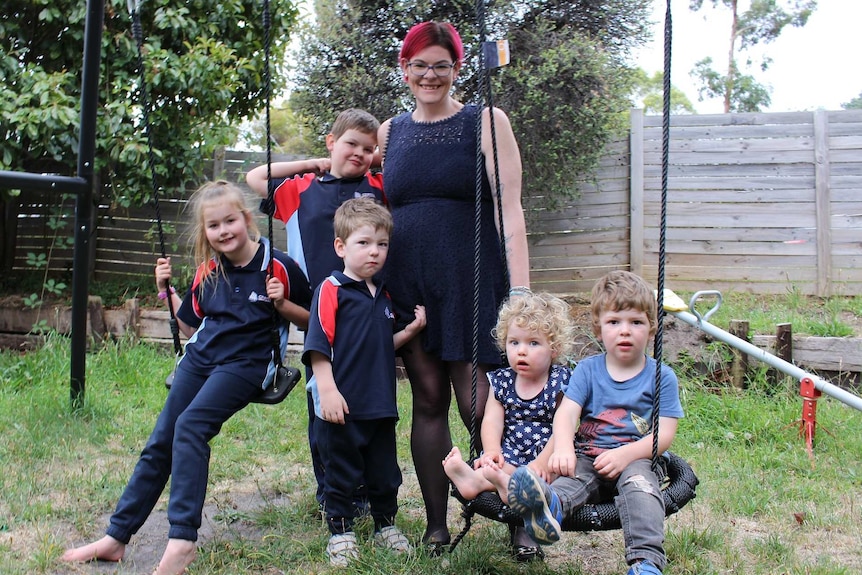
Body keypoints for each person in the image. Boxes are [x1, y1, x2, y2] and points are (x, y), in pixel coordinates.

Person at [60, 180, 312, 575]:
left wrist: (283, 303)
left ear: (247, 220)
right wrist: (166, 290)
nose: (224, 231)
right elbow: (190, 324)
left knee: (191, 427)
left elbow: (315, 320)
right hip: (201, 358)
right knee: (161, 440)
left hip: (247, 364)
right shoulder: (207, 271)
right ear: (205, 232)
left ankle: (181, 541)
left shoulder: (278, 265)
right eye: (214, 226)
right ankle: (116, 537)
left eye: (230, 220)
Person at [377, 20, 530, 552]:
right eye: (419, 65)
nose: (430, 75)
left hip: (470, 277)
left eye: (441, 65)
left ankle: (520, 518)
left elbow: (510, 209)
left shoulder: (486, 121)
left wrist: (523, 296)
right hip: (410, 281)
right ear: (404, 69)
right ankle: (436, 525)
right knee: (427, 399)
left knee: (480, 402)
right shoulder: (390, 131)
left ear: (457, 67)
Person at [246, 108, 385, 512]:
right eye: (350, 144)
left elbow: (396, 165)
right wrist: (313, 163)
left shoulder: (377, 185)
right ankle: (331, 490)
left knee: (365, 402)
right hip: (315, 311)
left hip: (366, 313)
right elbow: (255, 177)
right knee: (323, 403)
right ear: (330, 142)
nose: (359, 153)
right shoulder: (301, 188)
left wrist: (372, 158)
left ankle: (363, 488)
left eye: (368, 148)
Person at [506, 270, 684, 575]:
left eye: (636, 322)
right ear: (599, 330)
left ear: (652, 329)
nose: (625, 331)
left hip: (637, 458)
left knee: (642, 491)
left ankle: (646, 563)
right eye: (614, 322)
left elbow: (664, 434)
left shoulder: (661, 377)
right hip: (589, 454)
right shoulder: (588, 371)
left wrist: (625, 455)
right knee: (570, 480)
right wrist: (563, 447)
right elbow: (567, 413)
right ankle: (547, 508)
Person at [302, 197, 427, 566]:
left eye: (382, 244)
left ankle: (386, 525)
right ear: (341, 247)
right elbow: (318, 344)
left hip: (380, 404)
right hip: (341, 405)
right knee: (340, 472)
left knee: (384, 471)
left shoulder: (383, 296)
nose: (374, 252)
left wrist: (411, 329)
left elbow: (382, 345)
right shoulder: (332, 289)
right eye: (364, 243)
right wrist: (327, 390)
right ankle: (340, 532)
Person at [442, 291, 574, 562]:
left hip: (546, 453)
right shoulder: (502, 380)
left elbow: (565, 426)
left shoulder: (561, 380)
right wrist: (491, 450)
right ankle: (474, 480)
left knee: (542, 479)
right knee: (499, 466)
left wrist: (541, 461)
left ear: (555, 349)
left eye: (533, 343)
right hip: (512, 450)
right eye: (514, 342)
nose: (521, 350)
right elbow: (492, 418)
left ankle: (503, 484)